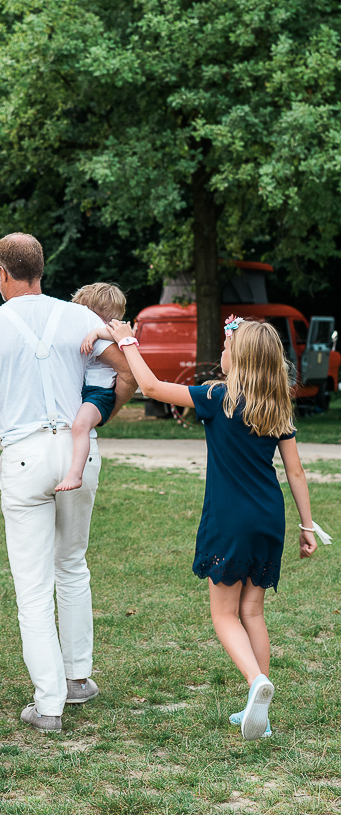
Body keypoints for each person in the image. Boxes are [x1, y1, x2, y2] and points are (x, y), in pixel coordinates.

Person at [0, 233, 136, 732]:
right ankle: (78, 678)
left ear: (0, 272)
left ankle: (49, 704)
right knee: (72, 565)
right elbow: (129, 375)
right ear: (41, 269)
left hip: (25, 455)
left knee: (32, 587)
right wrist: (98, 417)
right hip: (78, 449)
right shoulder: (80, 318)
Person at [106, 314, 319, 741]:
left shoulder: (215, 397)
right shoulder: (276, 406)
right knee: (253, 611)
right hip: (268, 518)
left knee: (224, 616)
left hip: (229, 518)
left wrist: (128, 341)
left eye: (225, 347)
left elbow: (150, 388)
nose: (219, 353)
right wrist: (307, 526)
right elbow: (295, 472)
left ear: (237, 359)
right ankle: (261, 710)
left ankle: (256, 683)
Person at [55, 282, 127, 492]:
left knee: (80, 426)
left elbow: (123, 334)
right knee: (74, 425)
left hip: (100, 394)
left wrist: (95, 333)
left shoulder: (114, 331)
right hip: (88, 391)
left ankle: (76, 474)